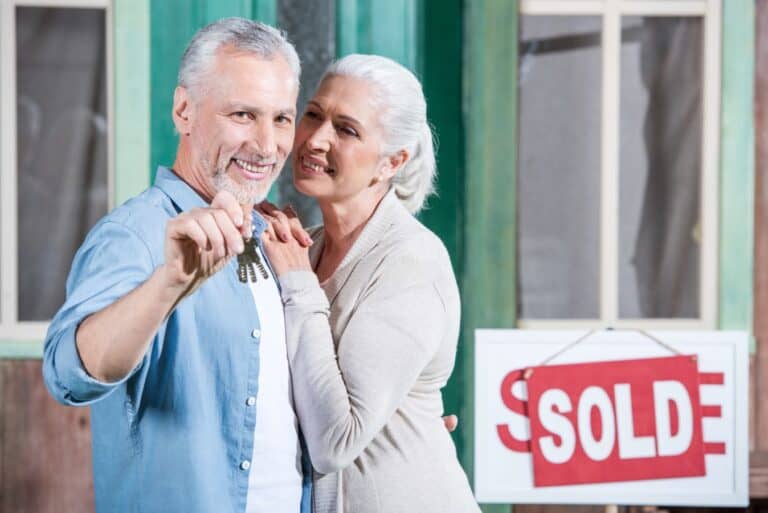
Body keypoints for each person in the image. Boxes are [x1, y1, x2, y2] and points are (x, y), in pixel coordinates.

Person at [42, 18, 318, 513]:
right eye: (242, 114)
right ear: (184, 110)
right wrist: (169, 283)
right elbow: (71, 372)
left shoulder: (275, 239)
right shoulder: (136, 235)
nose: (267, 144)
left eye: (281, 118)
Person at [260, 54, 480, 513]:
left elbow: (335, 442)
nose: (316, 139)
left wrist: (298, 283)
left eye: (347, 129)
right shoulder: (307, 248)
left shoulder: (410, 261)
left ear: (391, 162)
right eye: (314, 115)